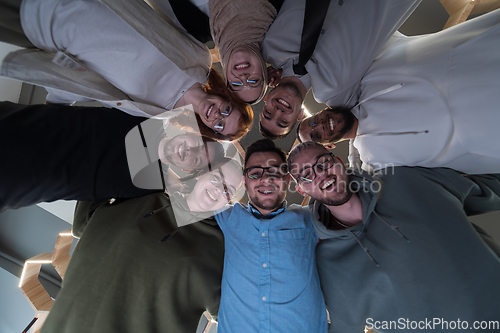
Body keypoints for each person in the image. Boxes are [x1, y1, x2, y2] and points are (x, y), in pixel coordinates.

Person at [288, 141, 500, 333]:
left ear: (339, 161)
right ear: (302, 189)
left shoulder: (404, 180)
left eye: (323, 162)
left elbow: (489, 191)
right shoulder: (329, 263)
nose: (321, 174)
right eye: (306, 175)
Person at [0, 0, 253, 141]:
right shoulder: (199, 57)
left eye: (219, 126)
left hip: (42, 28)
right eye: (227, 110)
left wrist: (55, 102)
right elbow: (166, 8)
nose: (216, 115)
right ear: (228, 97)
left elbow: (96, 87)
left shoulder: (155, 115)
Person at [297, 9, 500, 175]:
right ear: (329, 147)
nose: (320, 125)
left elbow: (360, 20)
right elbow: (360, 191)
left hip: (480, 52)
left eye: (314, 120)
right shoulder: (375, 162)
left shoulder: (368, 74)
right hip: (487, 128)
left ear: (322, 110)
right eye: (316, 135)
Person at [0, 101, 223, 212]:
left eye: (197, 160)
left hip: (22, 182)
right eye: (198, 145)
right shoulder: (152, 116)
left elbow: (84, 225)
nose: (190, 152)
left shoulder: (151, 190)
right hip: (25, 127)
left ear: (189, 170)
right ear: (193, 132)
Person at [259, 0, 421, 138]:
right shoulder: (338, 94)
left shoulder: (267, 47)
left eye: (268, 113)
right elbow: (371, 125)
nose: (278, 112)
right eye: (283, 121)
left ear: (265, 98)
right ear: (300, 115)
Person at [214, 139, 328, 333]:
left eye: (275, 172)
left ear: (288, 180)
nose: (266, 179)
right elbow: (177, 184)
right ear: (244, 180)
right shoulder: (227, 216)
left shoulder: (309, 218)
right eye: (256, 173)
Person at [209, 0, 281, 104]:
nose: (243, 77)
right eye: (254, 81)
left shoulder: (196, 24)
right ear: (264, 71)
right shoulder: (279, 10)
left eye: (236, 84)